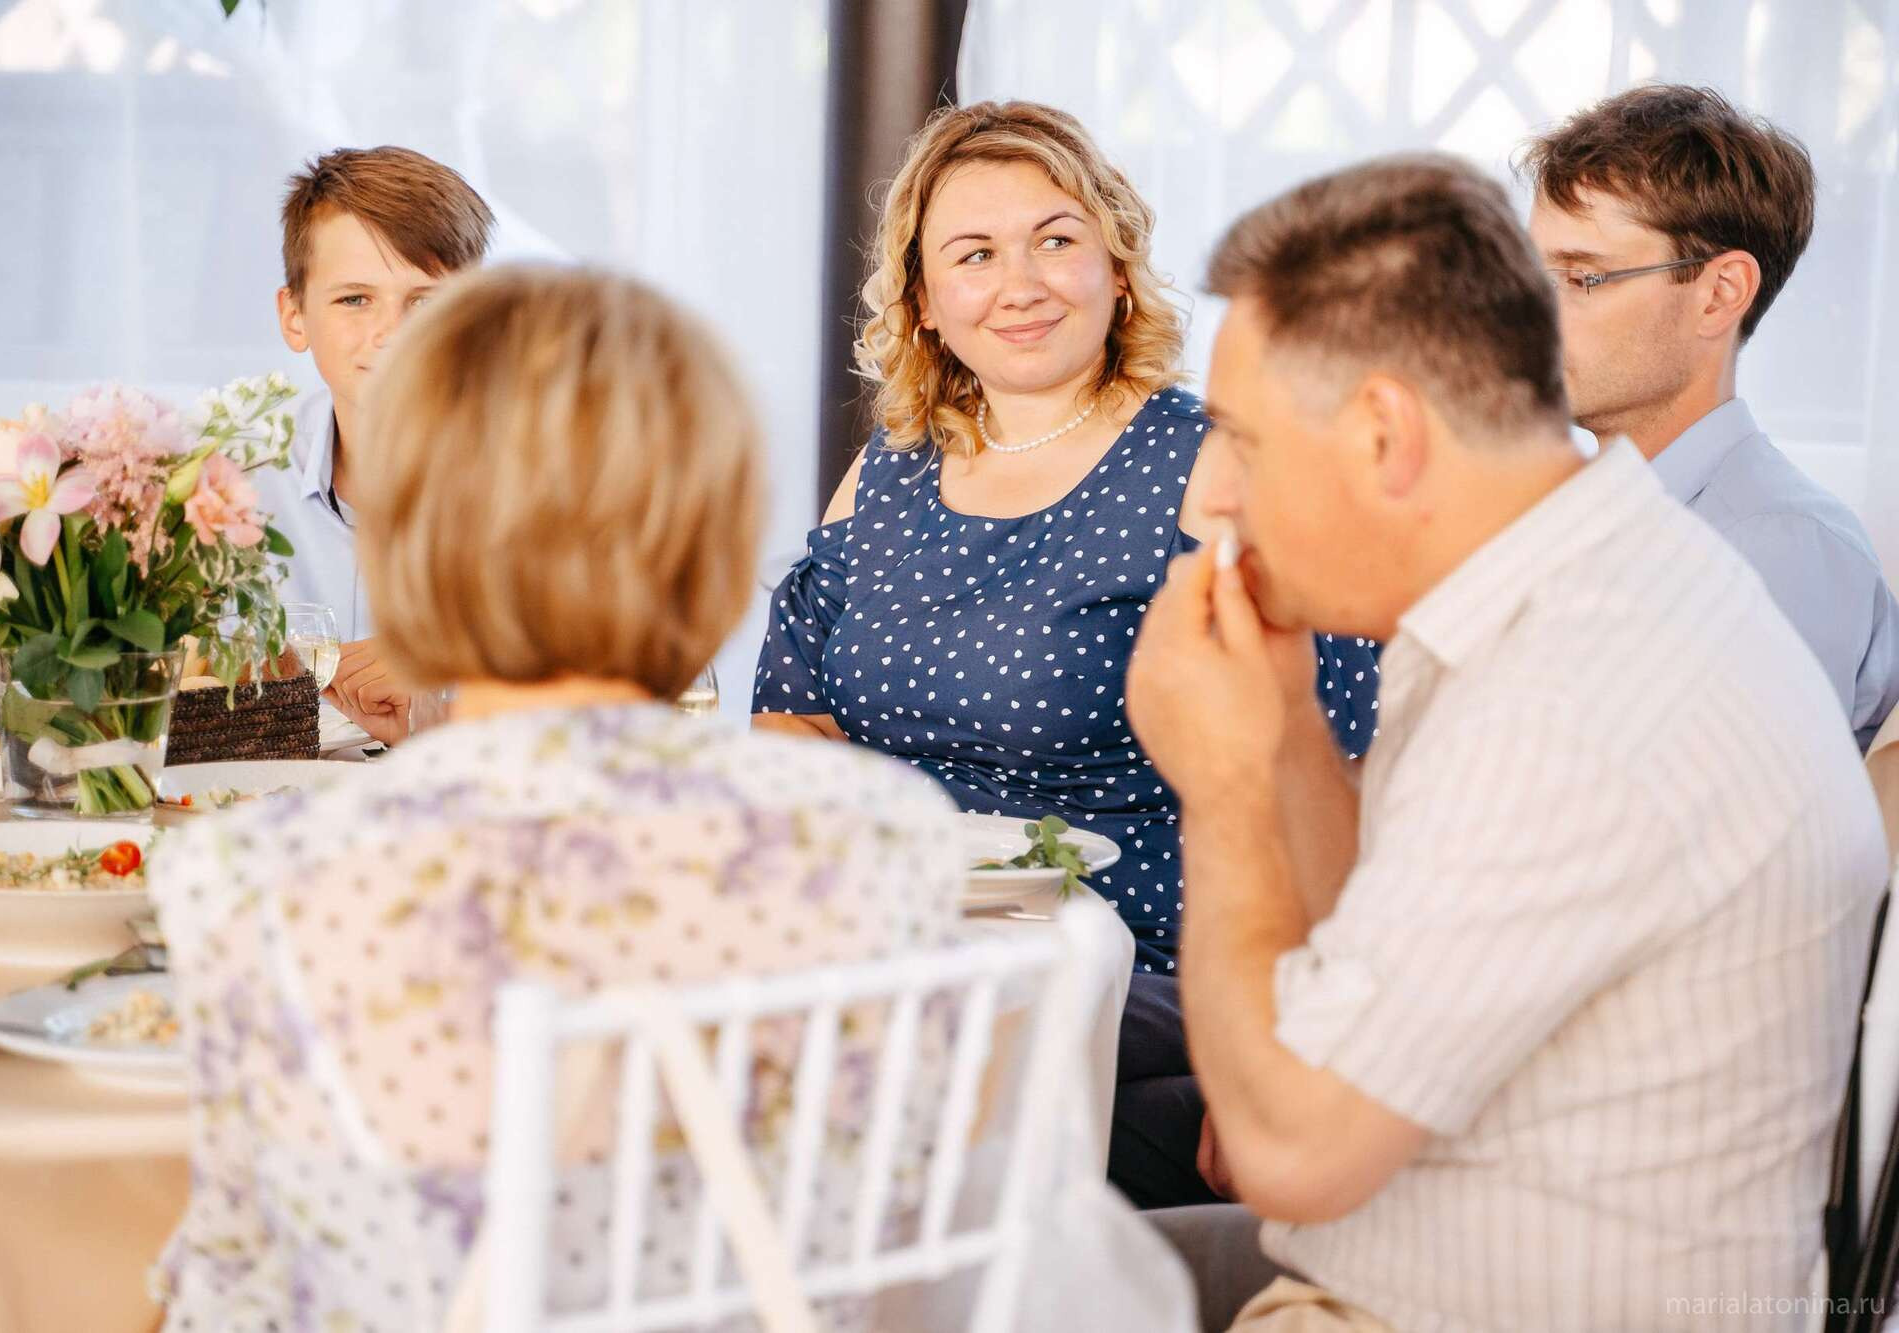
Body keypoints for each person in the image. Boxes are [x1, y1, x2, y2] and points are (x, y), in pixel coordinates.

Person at [1125, 154, 1885, 1330]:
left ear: (1382, 434)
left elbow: (1285, 1151)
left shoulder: (1570, 698)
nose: (1202, 500)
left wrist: (1218, 785)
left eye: (1237, 437)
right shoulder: (1564, 577)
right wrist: (1276, 723)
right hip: (1403, 1258)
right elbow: (1356, 925)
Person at [149, 264, 967, 1330]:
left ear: (403, 542)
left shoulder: (247, 879)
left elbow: (238, 1288)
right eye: (355, 295)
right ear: (716, 547)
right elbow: (889, 1241)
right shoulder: (882, 834)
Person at [751, 100, 1379, 978]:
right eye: (975, 256)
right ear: (924, 302)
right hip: (893, 937)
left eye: (1055, 241)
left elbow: (1336, 777)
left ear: (1118, 270)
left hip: (1126, 965)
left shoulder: (1217, 466)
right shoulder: (886, 469)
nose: (1021, 285)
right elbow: (790, 720)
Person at [1525, 84, 1899, 750]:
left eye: (1582, 279)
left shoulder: (1778, 550)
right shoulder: (1561, 519)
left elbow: (1717, 844)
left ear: (1720, 294)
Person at [256, 145, 496, 744]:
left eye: (426, 301)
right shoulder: (231, 484)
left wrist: (445, 695)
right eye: (354, 299)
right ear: (295, 318)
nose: (392, 333)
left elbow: (616, 725)